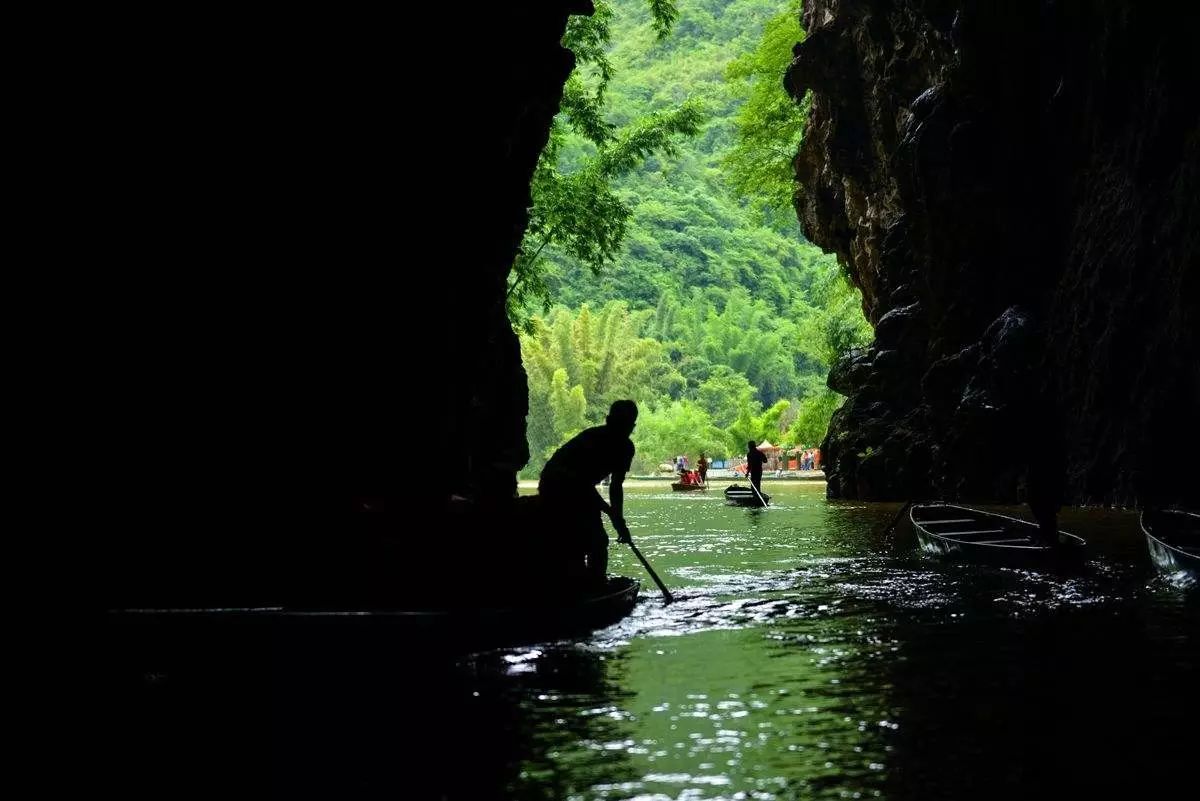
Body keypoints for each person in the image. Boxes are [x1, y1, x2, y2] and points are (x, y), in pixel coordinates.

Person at [539, 400, 637, 587]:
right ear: (608, 421)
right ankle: (591, 584)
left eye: (624, 426)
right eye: (618, 424)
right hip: (555, 485)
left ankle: (592, 583)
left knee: (595, 541)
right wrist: (610, 513)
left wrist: (619, 520)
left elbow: (616, 486)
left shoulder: (625, 449)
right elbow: (580, 484)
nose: (620, 430)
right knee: (593, 540)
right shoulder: (591, 440)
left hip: (579, 488)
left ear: (631, 427)